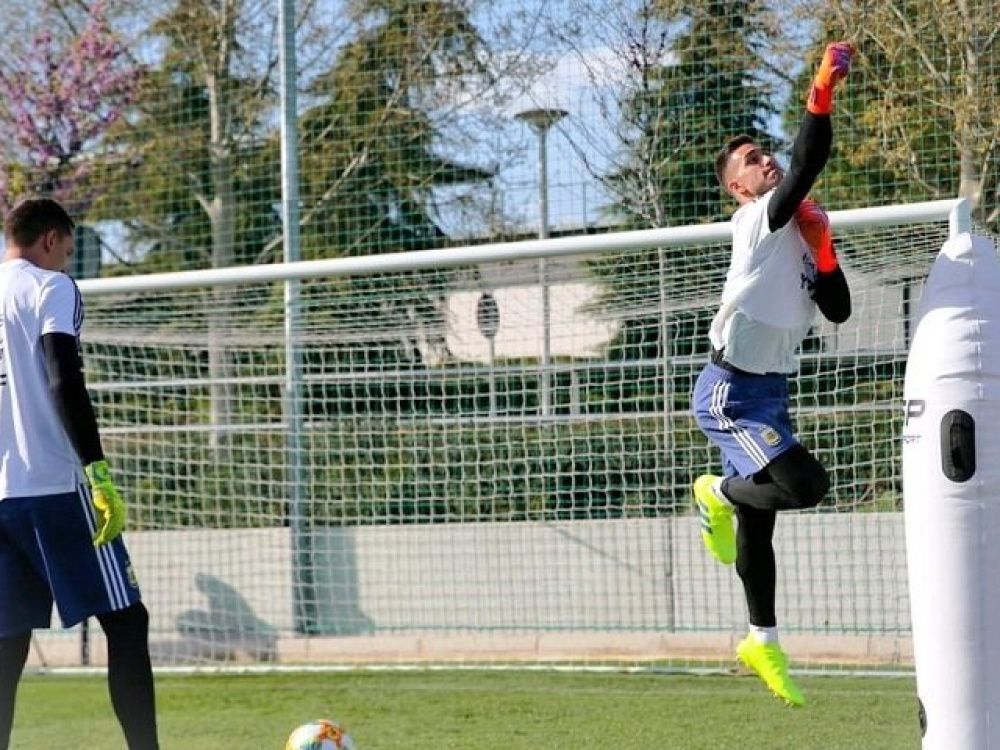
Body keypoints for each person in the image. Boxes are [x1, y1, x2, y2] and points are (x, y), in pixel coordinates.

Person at [691, 41, 854, 707]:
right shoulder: (755, 220)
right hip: (730, 393)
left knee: (761, 523)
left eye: (766, 154)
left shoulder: (800, 229)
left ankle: (762, 638)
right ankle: (714, 492)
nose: (768, 161)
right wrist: (821, 90)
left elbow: (838, 310)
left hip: (769, 391)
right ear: (739, 187)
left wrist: (824, 248)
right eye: (753, 160)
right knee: (806, 486)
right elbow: (809, 160)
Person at [0, 197, 159, 748]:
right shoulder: (51, 287)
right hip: (55, 488)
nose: (66, 261)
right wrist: (98, 472)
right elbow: (62, 378)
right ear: (51, 240)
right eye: (67, 251)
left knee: (6, 641)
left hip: (1, 496)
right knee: (127, 621)